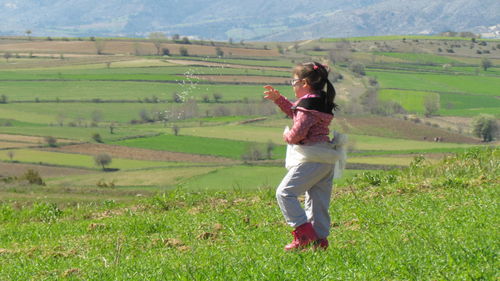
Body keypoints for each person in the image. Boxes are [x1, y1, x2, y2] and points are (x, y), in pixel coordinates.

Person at [263, 61, 339, 251]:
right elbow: (297, 114)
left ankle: (303, 233)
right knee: (317, 201)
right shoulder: (318, 100)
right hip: (326, 157)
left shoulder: (308, 106)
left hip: (311, 157)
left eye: (294, 82)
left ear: (304, 83)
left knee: (285, 193)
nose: (293, 85)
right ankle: (320, 241)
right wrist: (279, 99)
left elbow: (298, 132)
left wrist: (287, 136)